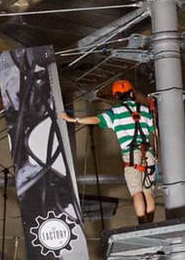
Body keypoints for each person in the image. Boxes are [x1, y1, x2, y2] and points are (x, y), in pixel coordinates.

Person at [61, 80, 157, 224]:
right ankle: (150, 223)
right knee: (148, 192)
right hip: (147, 153)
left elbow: (96, 119)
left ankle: (143, 224)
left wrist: (74, 119)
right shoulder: (144, 110)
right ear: (132, 93)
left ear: (117, 97)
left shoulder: (115, 113)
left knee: (137, 192)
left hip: (131, 155)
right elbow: (154, 130)